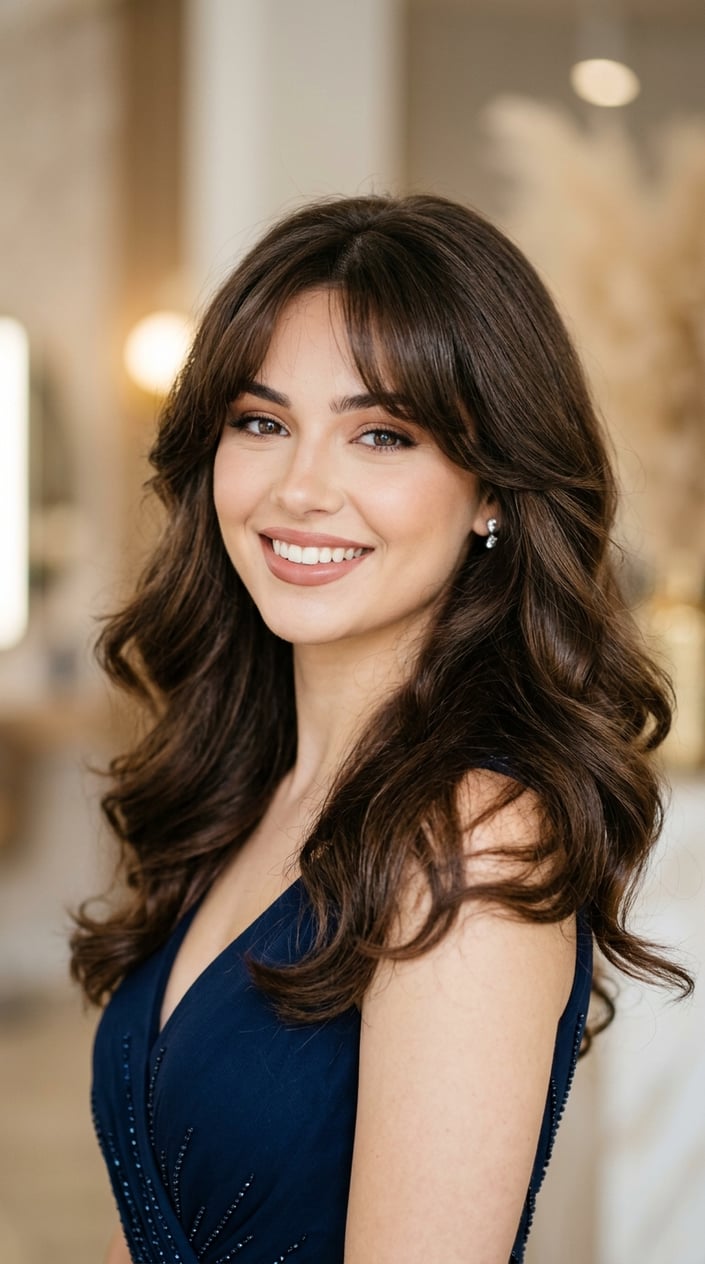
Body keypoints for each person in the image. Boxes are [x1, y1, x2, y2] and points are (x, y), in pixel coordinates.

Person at [72, 194, 692, 1264]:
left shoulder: (475, 836)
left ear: (492, 487)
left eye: (381, 434)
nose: (300, 488)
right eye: (260, 422)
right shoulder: (247, 784)